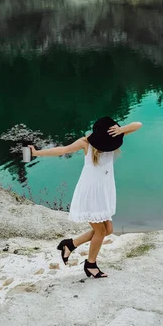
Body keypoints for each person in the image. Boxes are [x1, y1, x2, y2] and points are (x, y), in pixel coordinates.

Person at [29, 117, 142, 278]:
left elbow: (138, 125)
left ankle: (69, 245)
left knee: (108, 230)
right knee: (101, 231)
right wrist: (36, 152)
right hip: (90, 193)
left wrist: (121, 129)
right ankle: (90, 264)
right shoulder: (86, 143)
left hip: (104, 191)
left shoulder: (115, 135)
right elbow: (62, 150)